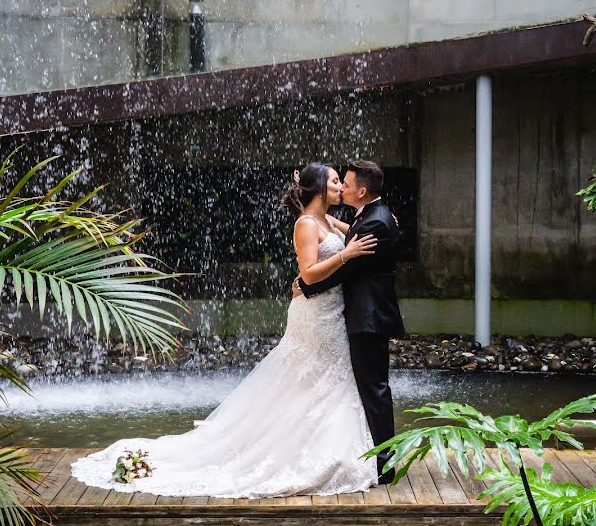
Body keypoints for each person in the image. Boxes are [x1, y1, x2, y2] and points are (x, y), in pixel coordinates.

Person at [71, 163, 380, 498]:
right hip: (315, 316)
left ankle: (320, 445)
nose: (340, 187)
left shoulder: (327, 220)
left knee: (321, 384)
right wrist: (346, 254)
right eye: (335, 181)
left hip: (332, 312)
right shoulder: (306, 224)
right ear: (320, 188)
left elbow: (360, 229)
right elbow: (307, 275)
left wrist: (383, 219)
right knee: (315, 380)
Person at [294, 159, 405, 484]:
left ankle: (383, 463)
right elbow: (341, 238)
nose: (341, 186)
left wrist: (306, 285)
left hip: (364, 316)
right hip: (338, 315)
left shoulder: (375, 221)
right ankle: (359, 454)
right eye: (334, 182)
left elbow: (347, 268)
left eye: (344, 182)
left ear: (361, 190)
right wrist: (309, 280)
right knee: (335, 384)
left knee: (371, 388)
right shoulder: (362, 218)